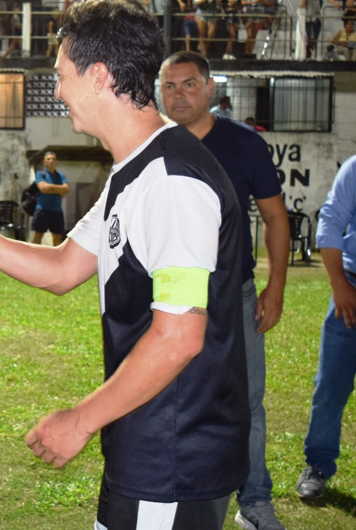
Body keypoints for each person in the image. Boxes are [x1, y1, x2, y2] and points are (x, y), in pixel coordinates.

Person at [0, 2, 249, 528]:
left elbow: (179, 337)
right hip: (147, 435)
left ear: (99, 77)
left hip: (175, 449)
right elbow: (63, 268)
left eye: (62, 76)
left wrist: (81, 420)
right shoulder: (134, 170)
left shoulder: (172, 182)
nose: (57, 91)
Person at [160, 50, 290, 530]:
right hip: (171, 297)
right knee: (169, 400)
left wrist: (274, 288)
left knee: (247, 403)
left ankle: (254, 502)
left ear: (211, 88)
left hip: (234, 296)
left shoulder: (243, 144)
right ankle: (177, 494)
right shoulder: (152, 144)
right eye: (169, 86)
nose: (179, 94)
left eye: (189, 84)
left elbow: (275, 218)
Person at [295, 156, 356, 500]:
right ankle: (317, 466)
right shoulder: (355, 168)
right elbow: (330, 223)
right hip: (350, 290)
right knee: (330, 387)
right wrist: (339, 286)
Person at [31, 151, 68, 246]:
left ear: (56, 162)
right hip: (42, 210)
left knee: (58, 237)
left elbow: (66, 189)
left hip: (57, 211)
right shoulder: (40, 174)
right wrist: (59, 189)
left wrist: (49, 187)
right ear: (44, 162)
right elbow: (43, 188)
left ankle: (55, 259)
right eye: (49, 159)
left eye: (53, 159)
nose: (51, 161)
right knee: (38, 236)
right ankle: (35, 257)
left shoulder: (61, 176)